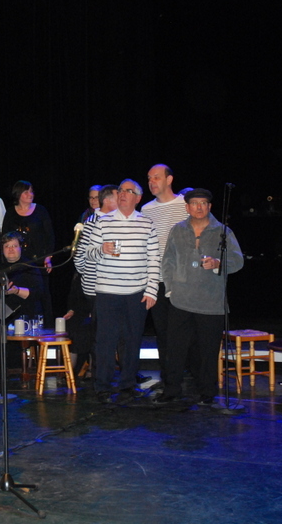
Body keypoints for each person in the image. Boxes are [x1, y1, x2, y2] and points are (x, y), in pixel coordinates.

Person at [153, 188, 244, 405]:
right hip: (181, 300)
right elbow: (168, 261)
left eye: (203, 203)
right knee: (175, 349)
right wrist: (170, 289)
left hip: (211, 302)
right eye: (194, 203)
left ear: (209, 206)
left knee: (208, 351)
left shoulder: (222, 231)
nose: (199, 207)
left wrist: (218, 263)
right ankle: (171, 390)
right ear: (187, 207)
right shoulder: (178, 229)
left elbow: (238, 261)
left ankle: (207, 393)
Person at [78, 179, 159, 404]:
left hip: (136, 293)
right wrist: (100, 249)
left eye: (128, 191)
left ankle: (128, 385)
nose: (122, 194)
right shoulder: (102, 222)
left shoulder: (147, 223)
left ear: (138, 198)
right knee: (105, 342)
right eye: (121, 190)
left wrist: (152, 290)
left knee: (132, 341)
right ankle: (102, 387)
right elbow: (86, 254)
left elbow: (154, 259)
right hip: (107, 292)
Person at [141, 164, 189, 389]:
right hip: (156, 280)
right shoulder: (146, 209)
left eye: (156, 177)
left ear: (169, 180)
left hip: (182, 280)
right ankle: (168, 380)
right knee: (162, 332)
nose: (152, 182)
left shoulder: (185, 204)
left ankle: (183, 378)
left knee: (182, 332)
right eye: (149, 178)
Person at [71, 184, 118, 377]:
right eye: (118, 196)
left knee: (109, 332)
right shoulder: (92, 222)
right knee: (100, 334)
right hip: (97, 288)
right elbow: (79, 255)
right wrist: (89, 277)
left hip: (114, 286)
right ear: (107, 200)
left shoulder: (116, 221)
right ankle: (100, 376)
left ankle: (106, 373)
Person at [2, 180, 55, 324]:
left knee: (41, 294)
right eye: (26, 192)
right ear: (18, 194)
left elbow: (49, 236)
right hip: (17, 261)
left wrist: (48, 257)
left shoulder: (41, 210)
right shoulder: (11, 212)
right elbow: (5, 236)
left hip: (38, 260)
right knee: (17, 292)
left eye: (31, 191)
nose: (30, 194)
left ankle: (46, 327)